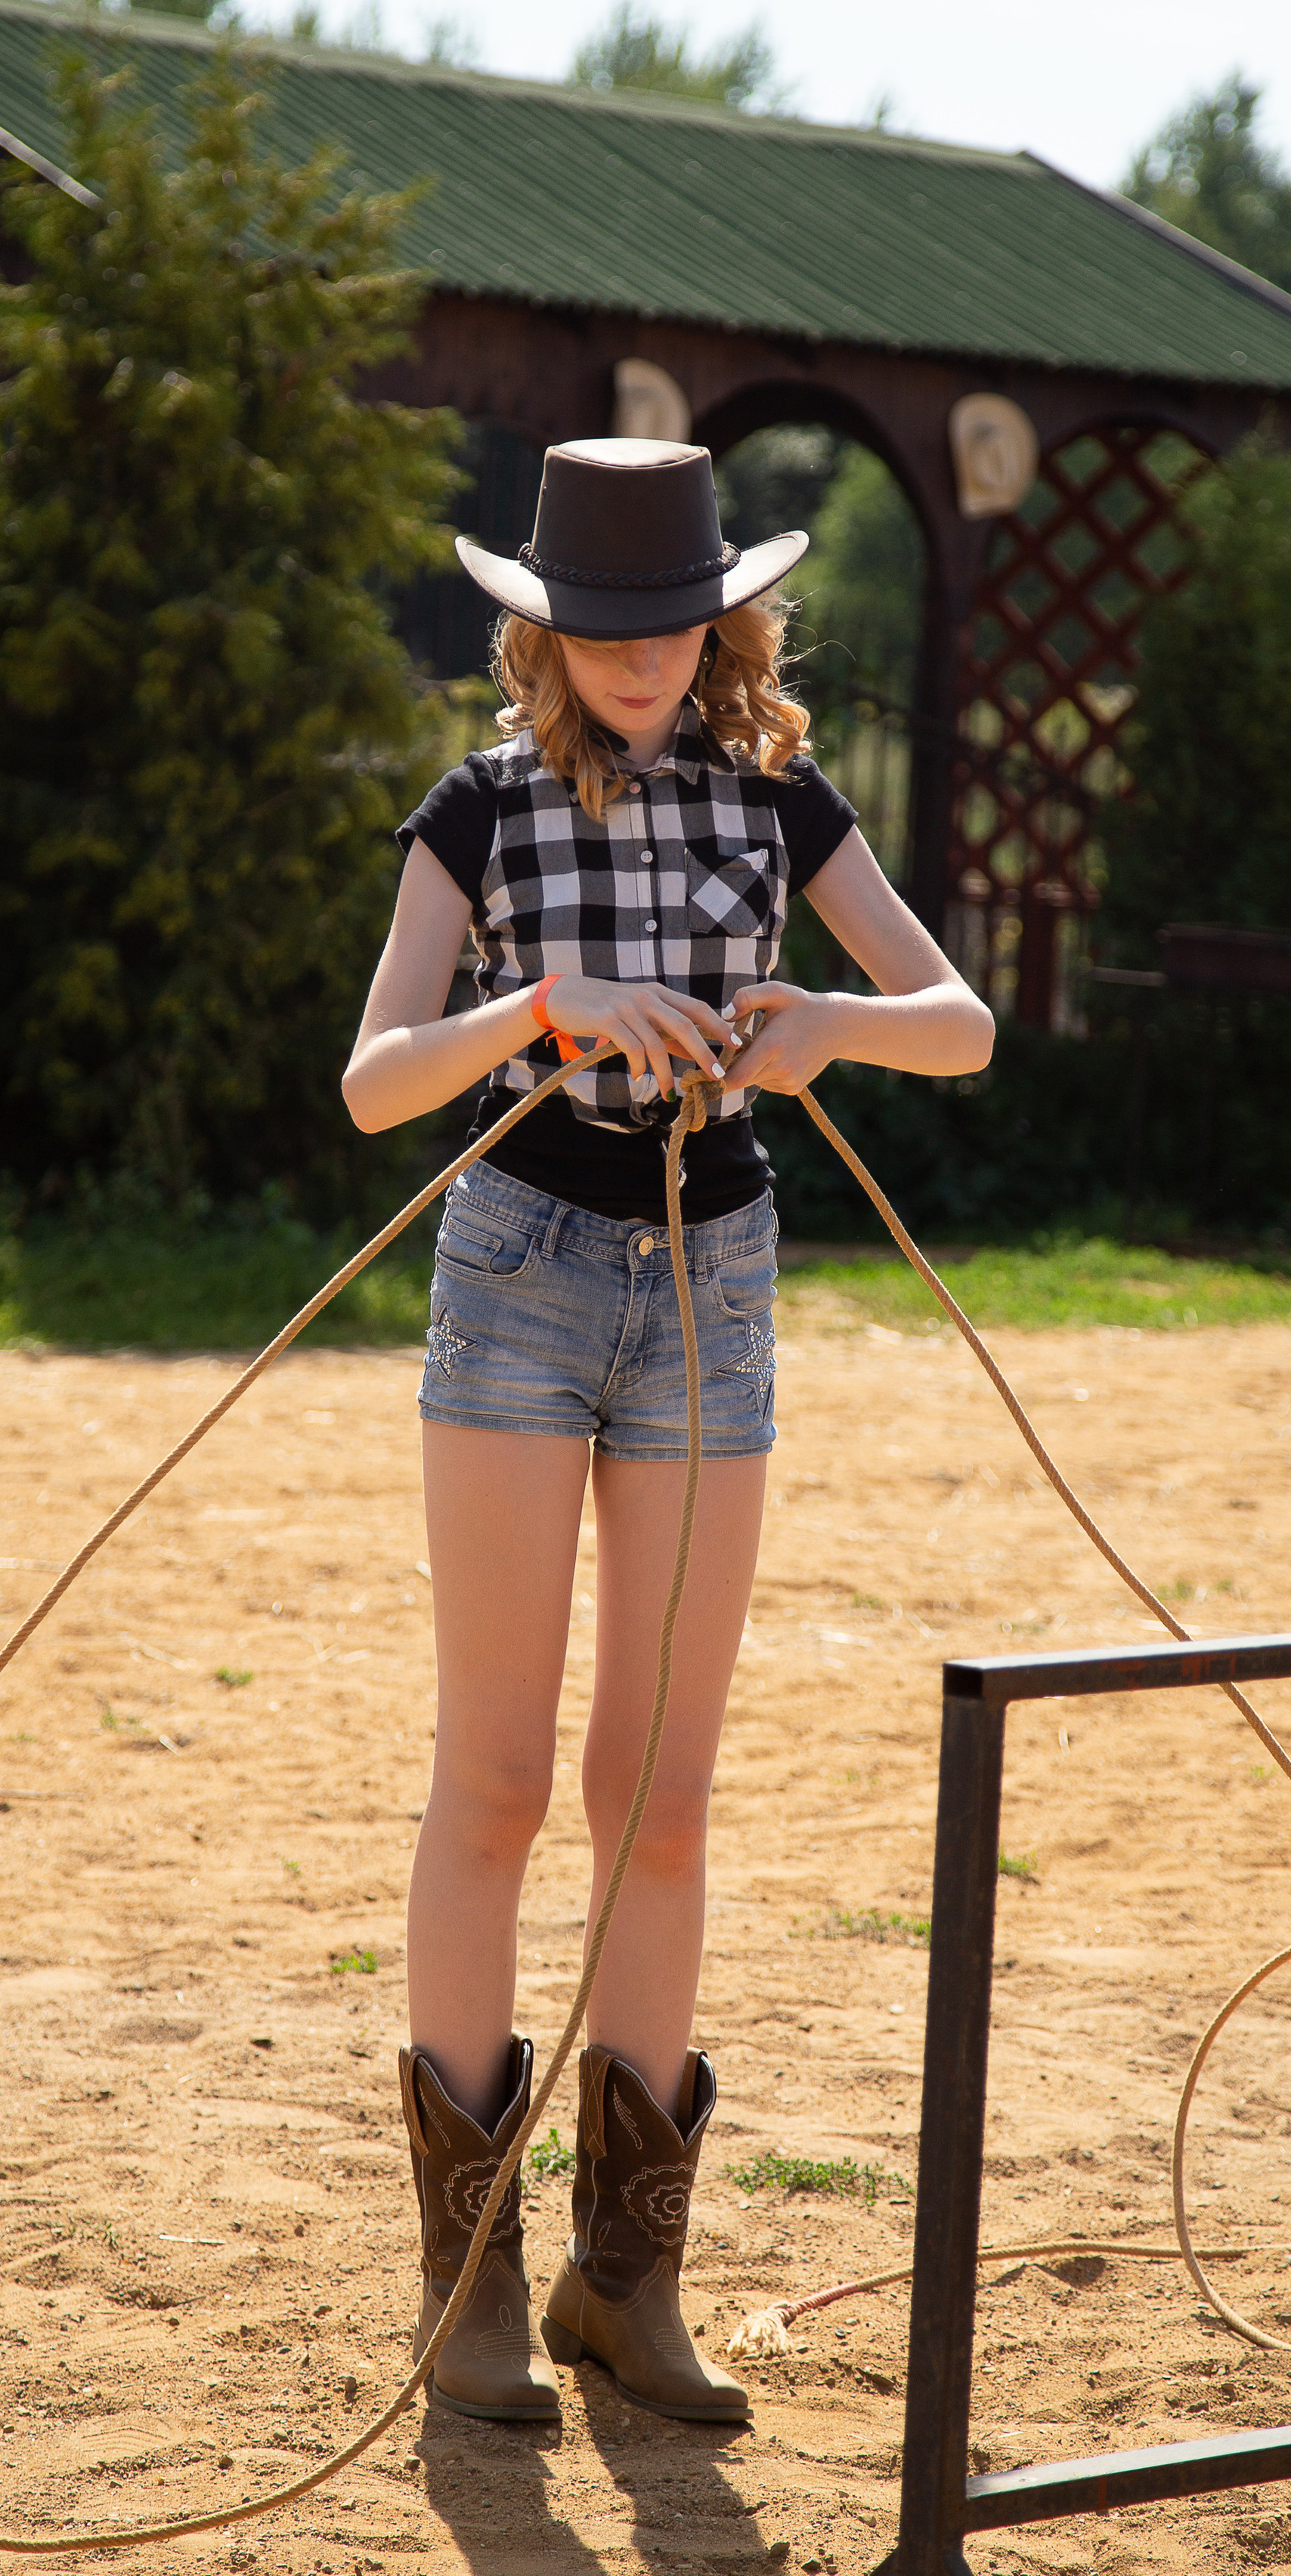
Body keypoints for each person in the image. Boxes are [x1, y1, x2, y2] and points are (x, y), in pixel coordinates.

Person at [342, 437, 993, 2427]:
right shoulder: (476, 808)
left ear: (721, 611)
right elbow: (378, 1083)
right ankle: (470, 2282)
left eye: (670, 622)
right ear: (543, 625)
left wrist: (824, 1029)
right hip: (520, 1271)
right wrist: (544, 1012)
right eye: (601, 626)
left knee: (668, 1792)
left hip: (714, 1286)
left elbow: (957, 1017)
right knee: (505, 1779)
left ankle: (630, 2282)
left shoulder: (781, 796)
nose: (639, 658)